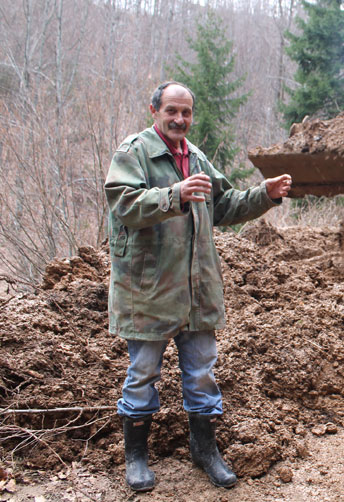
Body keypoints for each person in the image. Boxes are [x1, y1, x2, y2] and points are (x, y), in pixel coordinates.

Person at [104, 81, 292, 492]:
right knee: (142, 374)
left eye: (186, 112)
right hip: (149, 289)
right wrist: (174, 194)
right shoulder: (133, 152)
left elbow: (224, 205)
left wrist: (265, 194)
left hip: (196, 289)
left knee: (203, 373)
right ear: (154, 110)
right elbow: (123, 204)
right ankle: (135, 457)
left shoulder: (197, 157)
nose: (180, 119)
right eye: (172, 111)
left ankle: (204, 450)